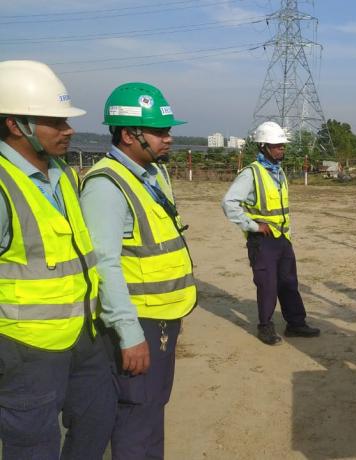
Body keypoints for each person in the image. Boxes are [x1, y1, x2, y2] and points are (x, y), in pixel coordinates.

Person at [0, 60, 115, 459]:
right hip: (25, 347)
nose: (68, 130)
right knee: (33, 445)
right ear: (16, 124)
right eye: (56, 122)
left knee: (98, 419)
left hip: (84, 332)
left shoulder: (64, 174)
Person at [80, 82, 197, 459]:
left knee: (151, 409)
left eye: (168, 130)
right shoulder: (106, 186)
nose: (168, 139)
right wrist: (129, 333)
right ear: (129, 134)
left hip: (162, 317)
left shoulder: (152, 175)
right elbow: (105, 264)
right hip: (139, 321)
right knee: (136, 415)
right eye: (159, 132)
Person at [221, 121, 320, 345]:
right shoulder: (251, 174)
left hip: (283, 238)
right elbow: (229, 203)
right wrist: (253, 226)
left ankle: (296, 324)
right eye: (276, 146)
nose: (281, 150)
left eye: (282, 146)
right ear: (263, 146)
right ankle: (265, 326)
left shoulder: (279, 172)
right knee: (268, 285)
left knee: (288, 283)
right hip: (262, 241)